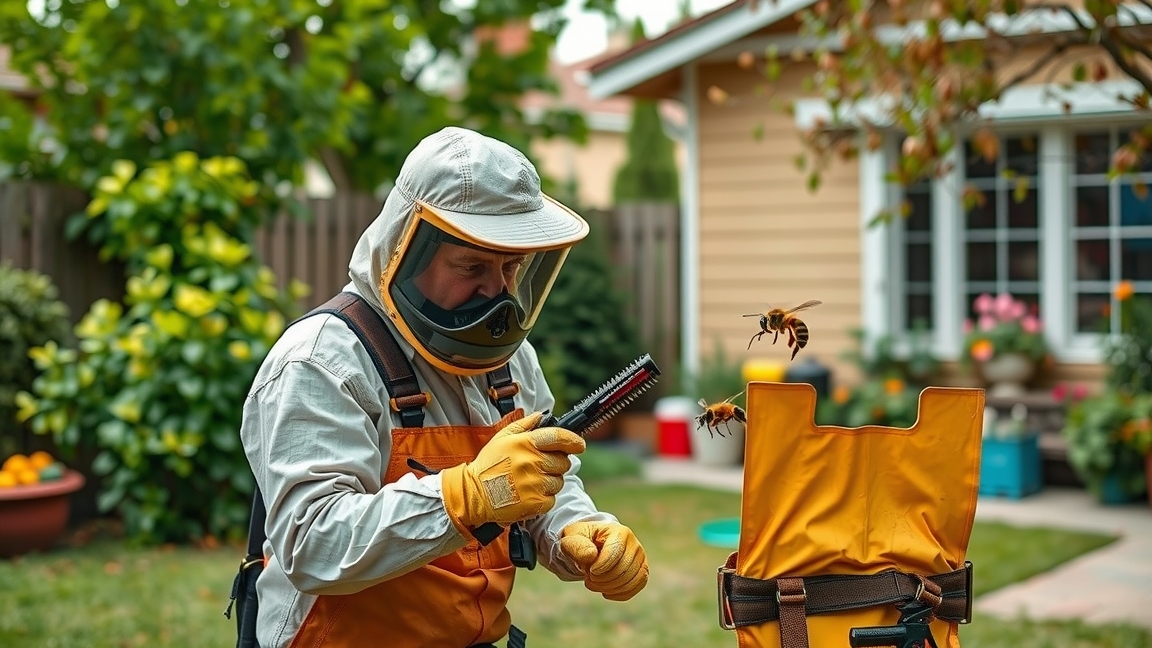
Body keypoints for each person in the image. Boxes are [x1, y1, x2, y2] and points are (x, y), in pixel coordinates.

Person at [239, 126, 649, 648]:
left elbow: (541, 476)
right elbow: (313, 545)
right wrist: (466, 495)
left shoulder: (511, 360)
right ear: (407, 247)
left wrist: (580, 532)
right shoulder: (321, 362)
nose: (496, 291)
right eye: (471, 266)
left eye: (510, 267)